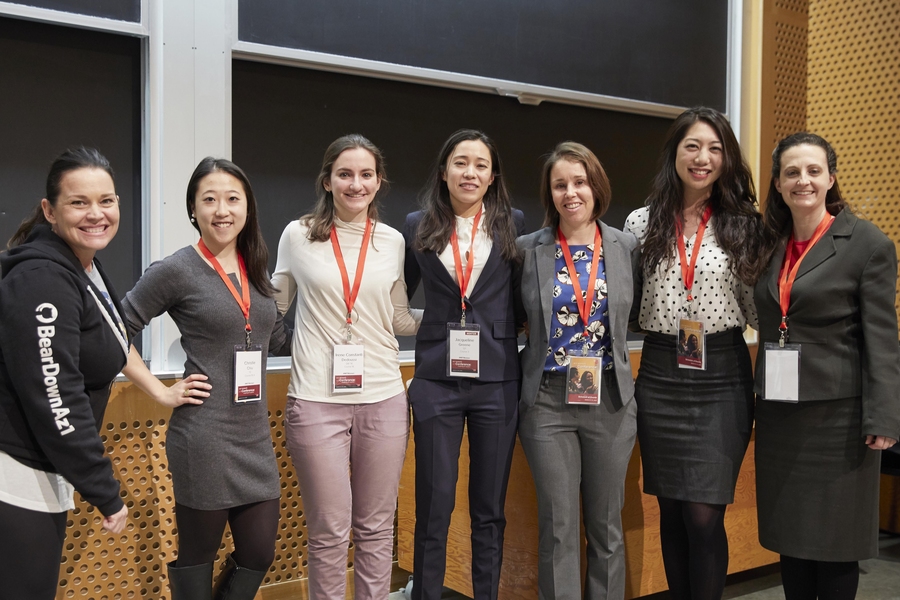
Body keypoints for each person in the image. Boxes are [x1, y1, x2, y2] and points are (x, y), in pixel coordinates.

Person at [120, 158, 291, 600]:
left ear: (247, 208)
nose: (222, 210)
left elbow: (273, 339)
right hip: (204, 434)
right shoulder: (177, 269)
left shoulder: (256, 266)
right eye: (209, 199)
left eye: (233, 199)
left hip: (253, 433)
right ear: (193, 209)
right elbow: (113, 330)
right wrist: (160, 390)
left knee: (259, 551)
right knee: (199, 553)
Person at [624, 107, 769, 600]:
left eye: (714, 148)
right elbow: (628, 301)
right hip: (661, 370)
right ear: (675, 153)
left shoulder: (746, 225)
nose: (702, 158)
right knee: (671, 510)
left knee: (704, 515)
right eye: (692, 146)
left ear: (726, 158)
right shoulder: (641, 221)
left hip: (722, 373)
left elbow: (757, 309)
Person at [271, 134, 421, 600]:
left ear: (379, 183)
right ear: (328, 181)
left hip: (384, 398)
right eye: (345, 174)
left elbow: (397, 318)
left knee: (377, 530)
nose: (356, 184)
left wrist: (465, 315)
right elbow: (274, 306)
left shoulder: (394, 241)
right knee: (330, 531)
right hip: (316, 399)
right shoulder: (298, 234)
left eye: (366, 175)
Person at [754, 132, 900, 599]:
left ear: (831, 178)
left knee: (836, 547)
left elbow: (882, 339)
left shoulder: (867, 244)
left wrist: (884, 417)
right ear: (777, 183)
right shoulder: (767, 245)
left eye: (814, 171)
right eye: (792, 172)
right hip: (781, 414)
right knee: (791, 543)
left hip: (839, 422)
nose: (804, 181)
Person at [0, 147, 129, 599]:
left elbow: (111, 341)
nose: (97, 214)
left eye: (107, 200)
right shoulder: (42, 278)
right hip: (15, 470)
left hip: (43, 464)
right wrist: (104, 490)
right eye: (79, 203)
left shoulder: (83, 266)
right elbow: (55, 394)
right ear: (49, 211)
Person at [403, 129, 525, 600]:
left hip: (498, 381)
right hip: (436, 380)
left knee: (489, 508)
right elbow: (399, 298)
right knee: (433, 504)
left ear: (492, 176)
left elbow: (520, 298)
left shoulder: (512, 223)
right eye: (460, 162)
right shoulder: (418, 224)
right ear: (444, 171)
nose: (469, 172)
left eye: (480, 164)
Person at [517, 141, 640, 599]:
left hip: (610, 398)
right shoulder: (530, 248)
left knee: (607, 525)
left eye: (580, 182)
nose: (571, 193)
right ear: (550, 193)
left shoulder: (626, 246)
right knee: (558, 525)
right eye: (560, 184)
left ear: (596, 186)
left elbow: (636, 310)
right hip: (547, 401)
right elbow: (515, 317)